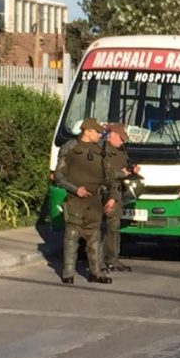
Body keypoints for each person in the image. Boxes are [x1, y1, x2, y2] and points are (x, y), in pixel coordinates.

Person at [53, 118, 118, 284]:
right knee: (72, 233)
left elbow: (110, 175)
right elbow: (59, 176)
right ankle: (68, 273)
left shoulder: (101, 149)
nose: (99, 134)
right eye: (97, 131)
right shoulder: (70, 148)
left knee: (94, 235)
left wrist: (112, 197)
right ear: (87, 131)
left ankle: (96, 273)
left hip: (95, 199)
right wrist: (75, 189)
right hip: (75, 198)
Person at [102, 123, 140, 272]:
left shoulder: (121, 152)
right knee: (100, 228)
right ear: (112, 135)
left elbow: (125, 168)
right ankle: (100, 261)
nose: (123, 141)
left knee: (114, 227)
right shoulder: (103, 151)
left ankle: (113, 259)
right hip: (103, 192)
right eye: (120, 138)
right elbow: (104, 173)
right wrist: (123, 173)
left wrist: (132, 170)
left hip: (116, 192)